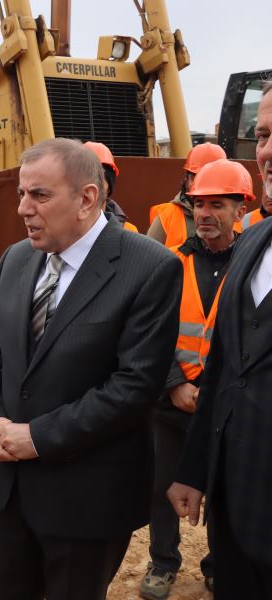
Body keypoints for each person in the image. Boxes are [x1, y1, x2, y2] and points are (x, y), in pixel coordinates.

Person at [0, 138, 182, 600]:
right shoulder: (16, 258)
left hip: (86, 501)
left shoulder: (149, 267)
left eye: (40, 195)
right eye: (22, 194)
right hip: (11, 493)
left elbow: (133, 387)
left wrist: (39, 436)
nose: (24, 208)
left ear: (88, 198)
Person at [168, 81, 272, 599]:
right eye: (263, 135)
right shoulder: (248, 247)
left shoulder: (245, 246)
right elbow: (227, 365)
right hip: (230, 489)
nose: (268, 149)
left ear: (239, 207)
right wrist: (194, 470)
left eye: (218, 203)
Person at [139, 158, 252, 600]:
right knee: (163, 487)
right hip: (171, 406)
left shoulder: (254, 265)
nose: (204, 213)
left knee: (225, 494)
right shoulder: (169, 264)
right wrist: (174, 383)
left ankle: (217, 565)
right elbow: (150, 333)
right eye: (198, 203)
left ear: (240, 209)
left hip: (227, 408)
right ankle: (163, 563)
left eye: (216, 205)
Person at [147, 142, 229, 247]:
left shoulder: (234, 217)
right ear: (186, 180)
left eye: (211, 178)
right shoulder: (167, 217)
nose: (203, 185)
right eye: (197, 178)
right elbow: (148, 260)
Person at [83, 141, 139, 233]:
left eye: (98, 180)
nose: (92, 188)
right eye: (85, 179)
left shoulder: (128, 231)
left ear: (109, 187)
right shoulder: (60, 231)